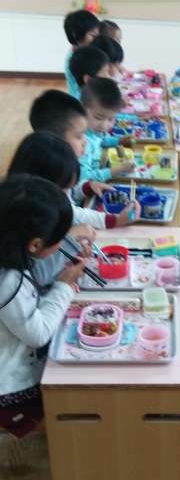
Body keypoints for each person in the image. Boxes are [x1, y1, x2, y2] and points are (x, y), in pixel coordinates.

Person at [0, 174, 84, 437]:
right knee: (65, 418)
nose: (62, 244)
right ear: (35, 244)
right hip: (11, 387)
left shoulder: (10, 256)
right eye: (60, 239)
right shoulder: (9, 281)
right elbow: (38, 334)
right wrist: (64, 286)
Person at [8, 132, 140, 232]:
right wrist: (115, 220)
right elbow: (73, 214)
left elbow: (70, 193)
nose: (85, 141)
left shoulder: (45, 186)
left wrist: (87, 187)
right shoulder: (37, 208)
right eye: (65, 188)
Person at [79, 77, 135, 183]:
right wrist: (116, 170)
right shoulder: (81, 142)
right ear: (82, 110)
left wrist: (119, 140)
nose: (104, 126)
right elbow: (84, 179)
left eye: (110, 119)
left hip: (100, 169)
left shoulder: (93, 130)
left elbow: (102, 140)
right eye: (98, 117)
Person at [63, 10, 99, 98]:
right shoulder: (76, 59)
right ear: (76, 34)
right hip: (80, 100)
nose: (97, 40)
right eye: (93, 35)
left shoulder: (83, 51)